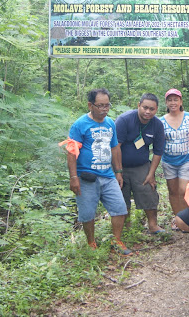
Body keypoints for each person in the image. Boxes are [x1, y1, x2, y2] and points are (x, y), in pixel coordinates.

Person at [64, 88, 131, 255]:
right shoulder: (79, 125)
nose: (104, 109)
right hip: (86, 176)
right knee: (87, 213)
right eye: (100, 105)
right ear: (90, 105)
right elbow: (71, 152)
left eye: (107, 105)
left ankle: (117, 240)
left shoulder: (110, 123)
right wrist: (73, 177)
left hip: (107, 174)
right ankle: (91, 243)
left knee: (120, 208)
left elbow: (115, 147)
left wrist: (118, 171)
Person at [115, 93, 166, 234]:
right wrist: (118, 171)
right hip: (121, 166)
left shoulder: (157, 125)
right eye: (144, 107)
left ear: (156, 110)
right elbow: (115, 147)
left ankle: (153, 225)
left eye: (152, 109)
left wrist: (151, 174)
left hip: (142, 166)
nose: (147, 112)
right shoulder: (124, 120)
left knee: (149, 192)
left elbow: (158, 151)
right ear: (138, 105)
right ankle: (125, 228)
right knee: (121, 197)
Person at [159, 88, 189, 229]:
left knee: (184, 190)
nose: (173, 102)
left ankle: (188, 217)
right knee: (173, 191)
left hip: (186, 160)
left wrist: (187, 146)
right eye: (170, 100)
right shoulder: (161, 121)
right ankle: (178, 219)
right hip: (168, 161)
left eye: (175, 99)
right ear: (166, 103)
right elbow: (160, 141)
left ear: (181, 101)